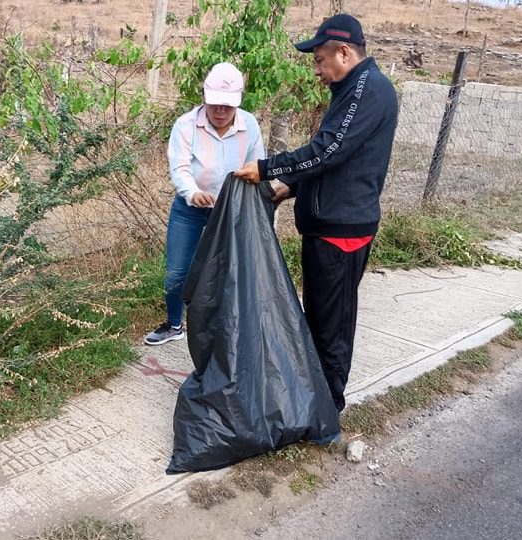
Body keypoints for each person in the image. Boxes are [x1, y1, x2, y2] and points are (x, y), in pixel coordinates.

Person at [234, 14, 399, 412]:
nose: (317, 70)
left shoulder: (367, 90)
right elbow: (337, 161)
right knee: (321, 317)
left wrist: (267, 167)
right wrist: (293, 187)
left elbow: (327, 149)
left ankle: (328, 410)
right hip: (328, 223)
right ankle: (316, 400)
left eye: (320, 60)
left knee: (332, 326)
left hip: (341, 230)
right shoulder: (352, 89)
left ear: (344, 52)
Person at [144, 62, 265, 346]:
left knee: (230, 270)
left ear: (238, 103)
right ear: (204, 97)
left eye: (228, 106)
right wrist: (192, 192)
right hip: (190, 210)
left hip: (232, 210)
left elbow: (257, 165)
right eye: (215, 105)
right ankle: (175, 324)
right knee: (177, 271)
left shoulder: (249, 125)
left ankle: (225, 329)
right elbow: (179, 167)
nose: (220, 112)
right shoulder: (186, 125)